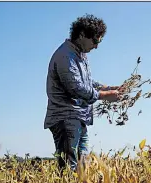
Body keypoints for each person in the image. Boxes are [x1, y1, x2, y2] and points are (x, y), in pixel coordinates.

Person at [44, 14, 121, 172]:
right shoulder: (66, 56)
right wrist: (105, 96)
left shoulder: (80, 55)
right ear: (81, 35)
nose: (96, 46)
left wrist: (107, 87)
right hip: (66, 117)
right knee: (68, 167)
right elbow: (76, 87)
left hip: (79, 117)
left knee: (83, 166)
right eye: (95, 41)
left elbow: (87, 82)